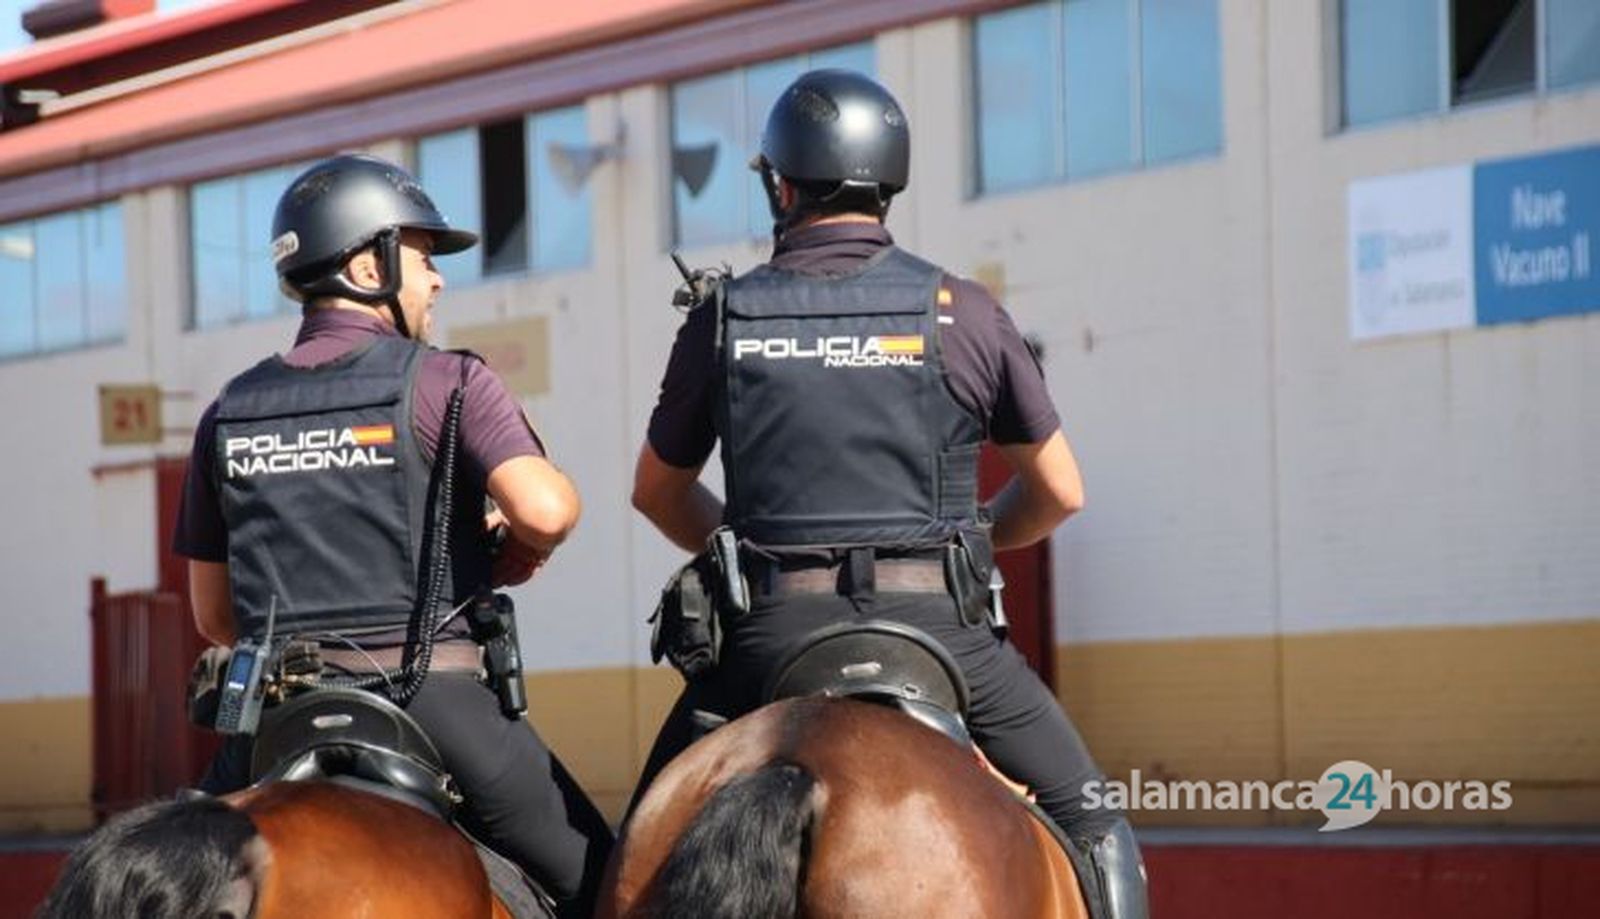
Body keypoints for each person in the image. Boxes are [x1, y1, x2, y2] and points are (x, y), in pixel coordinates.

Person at [629, 70, 1147, 918]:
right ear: (887, 184)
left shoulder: (723, 318)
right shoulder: (962, 310)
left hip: (767, 638)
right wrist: (978, 535)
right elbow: (1061, 491)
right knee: (1096, 827)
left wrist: (745, 552)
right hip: (940, 633)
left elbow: (658, 494)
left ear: (781, 184)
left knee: (636, 845)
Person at [173, 153, 612, 917]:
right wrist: (527, 534)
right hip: (431, 700)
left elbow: (213, 616)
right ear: (367, 263)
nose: (438, 279)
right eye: (421, 255)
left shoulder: (228, 409)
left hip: (279, 714)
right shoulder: (446, 380)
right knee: (605, 877)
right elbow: (544, 509)